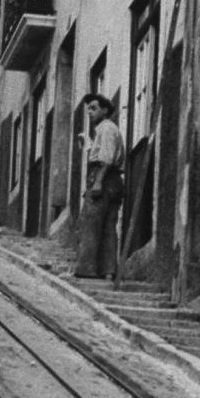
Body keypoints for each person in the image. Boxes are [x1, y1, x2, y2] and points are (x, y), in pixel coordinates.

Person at [75, 93, 126, 280]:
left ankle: (87, 270)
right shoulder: (105, 130)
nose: (89, 112)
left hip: (104, 180)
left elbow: (106, 158)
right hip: (112, 182)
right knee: (108, 227)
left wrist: (97, 182)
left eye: (94, 108)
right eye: (88, 109)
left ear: (105, 110)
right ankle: (108, 271)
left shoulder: (106, 128)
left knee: (90, 224)